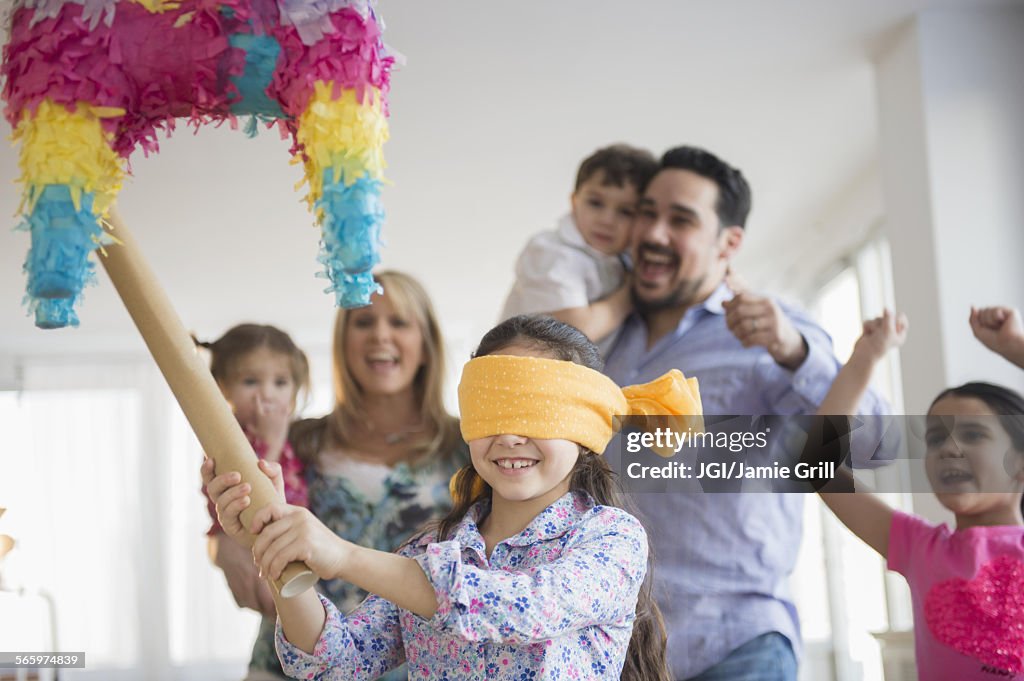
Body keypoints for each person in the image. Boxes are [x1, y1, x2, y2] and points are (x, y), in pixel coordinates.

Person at [204, 315, 704, 680]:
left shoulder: (611, 539)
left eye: (535, 415)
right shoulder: (432, 548)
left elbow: (520, 609)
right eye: (493, 414)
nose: (509, 437)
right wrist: (279, 552)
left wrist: (341, 555)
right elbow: (339, 662)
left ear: (585, 426)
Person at [601, 145, 891, 680]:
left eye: (680, 219)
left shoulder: (775, 337)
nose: (653, 233)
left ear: (728, 243)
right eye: (646, 211)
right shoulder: (605, 340)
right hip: (618, 647)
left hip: (734, 645)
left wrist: (794, 353)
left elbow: (875, 447)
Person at [207, 271, 468, 681]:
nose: (379, 335)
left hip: (421, 664)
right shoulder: (301, 440)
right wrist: (224, 546)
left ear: (426, 345)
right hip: (290, 661)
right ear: (343, 343)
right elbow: (233, 518)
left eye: (398, 322)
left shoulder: (469, 448)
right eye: (363, 321)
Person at [813, 306, 1024, 679]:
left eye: (973, 434)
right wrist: (866, 356)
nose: (948, 448)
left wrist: (1014, 347)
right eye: (935, 438)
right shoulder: (920, 548)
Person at [196, 323, 311, 618]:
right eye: (250, 382)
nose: (267, 395)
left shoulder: (300, 432)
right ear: (222, 388)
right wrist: (272, 441)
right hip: (252, 538)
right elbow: (254, 490)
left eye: (280, 382)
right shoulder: (229, 439)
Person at [500, 144, 657, 350]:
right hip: (518, 373)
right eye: (595, 203)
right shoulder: (551, 252)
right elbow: (578, 330)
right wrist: (630, 294)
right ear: (574, 202)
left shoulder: (619, 258)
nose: (607, 220)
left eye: (626, 211)